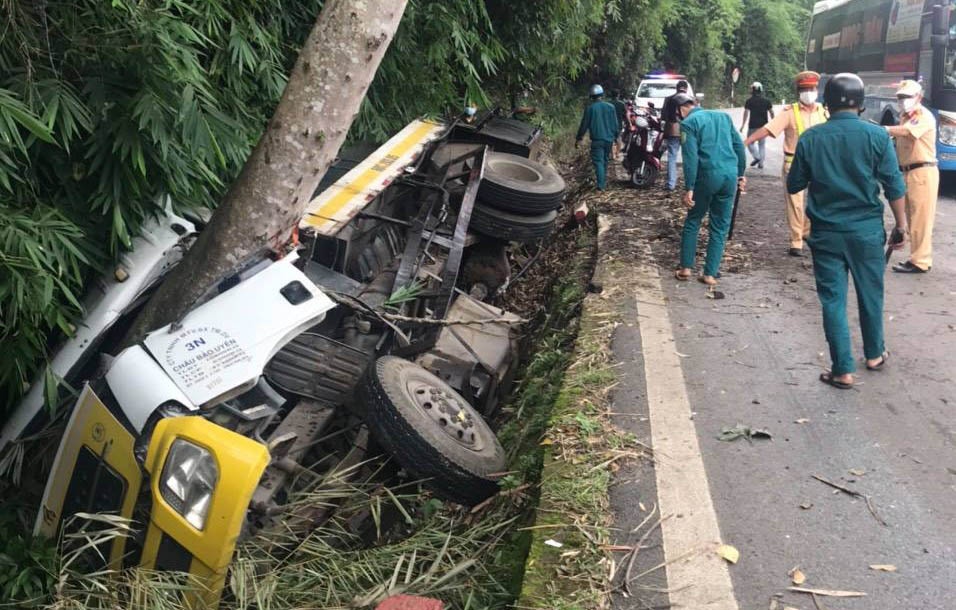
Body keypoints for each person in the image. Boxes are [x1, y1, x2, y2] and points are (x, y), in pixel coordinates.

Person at [786, 73, 907, 390]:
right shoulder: (877, 136)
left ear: (826, 103)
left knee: (833, 300)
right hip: (866, 233)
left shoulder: (811, 138)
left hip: (826, 234)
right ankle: (874, 354)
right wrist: (901, 226)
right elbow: (894, 186)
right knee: (871, 293)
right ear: (862, 104)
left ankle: (842, 370)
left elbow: (794, 184)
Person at [745, 71, 827, 257]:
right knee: (795, 204)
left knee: (817, 201)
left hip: (819, 165)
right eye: (805, 89)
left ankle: (806, 231)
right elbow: (768, 129)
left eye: (811, 89)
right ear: (799, 92)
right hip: (794, 164)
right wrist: (746, 142)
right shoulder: (790, 112)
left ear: (817, 90)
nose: (808, 93)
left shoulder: (824, 112)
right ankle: (796, 241)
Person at [674, 93, 747, 285]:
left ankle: (685, 268)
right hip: (729, 176)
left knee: (693, 219)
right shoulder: (724, 117)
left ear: (681, 109)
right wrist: (741, 174)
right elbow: (739, 147)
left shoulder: (688, 124)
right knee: (720, 226)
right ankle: (710, 274)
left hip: (707, 177)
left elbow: (690, 158)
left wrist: (689, 187)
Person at [885, 80, 938, 274]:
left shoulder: (922, 116)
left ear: (919, 97)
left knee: (920, 218)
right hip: (908, 171)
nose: (903, 101)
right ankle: (916, 257)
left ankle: (920, 261)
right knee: (909, 215)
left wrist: (884, 129)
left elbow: (907, 132)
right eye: (900, 97)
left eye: (907, 97)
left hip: (922, 171)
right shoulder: (905, 116)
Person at [576, 84, 619, 191]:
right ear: (602, 95)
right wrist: (616, 137)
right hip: (609, 139)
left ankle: (601, 186)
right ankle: (602, 182)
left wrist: (579, 138)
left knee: (599, 161)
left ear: (591, 96)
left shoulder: (590, 108)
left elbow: (584, 125)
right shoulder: (611, 107)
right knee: (605, 160)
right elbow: (615, 124)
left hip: (597, 140)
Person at [661, 80, 690, 191]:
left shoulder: (669, 99)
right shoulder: (691, 100)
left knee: (672, 157)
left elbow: (664, 116)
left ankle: (671, 184)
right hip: (687, 132)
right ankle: (689, 184)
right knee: (688, 157)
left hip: (673, 131)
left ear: (676, 88)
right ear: (686, 88)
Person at [740, 82, 774, 168]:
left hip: (753, 126)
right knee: (761, 145)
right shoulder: (766, 101)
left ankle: (757, 157)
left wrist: (743, 125)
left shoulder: (749, 101)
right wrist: (773, 122)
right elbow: (771, 112)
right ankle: (761, 163)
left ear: (754, 90)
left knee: (749, 142)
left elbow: (746, 113)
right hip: (764, 127)